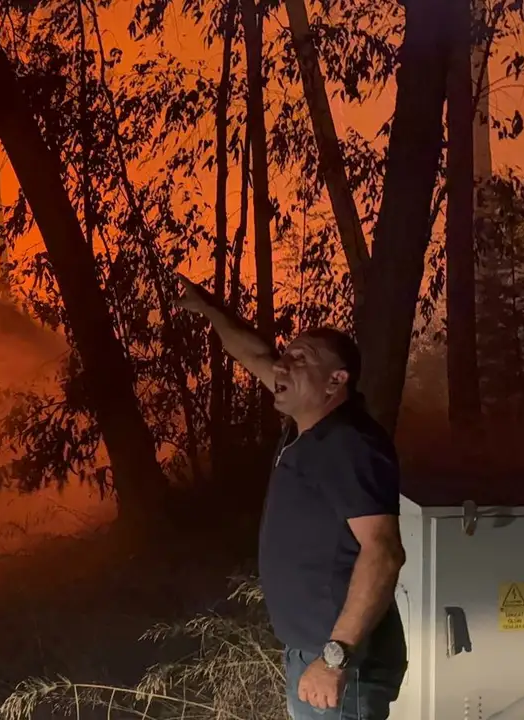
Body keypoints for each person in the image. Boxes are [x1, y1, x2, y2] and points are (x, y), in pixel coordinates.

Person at [174, 274, 408, 720]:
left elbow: (384, 552)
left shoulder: (348, 444)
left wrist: (334, 658)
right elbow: (254, 354)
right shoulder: (310, 429)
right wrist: (210, 310)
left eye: (300, 358)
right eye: (285, 356)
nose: (281, 366)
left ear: (335, 380)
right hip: (317, 653)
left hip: (341, 663)